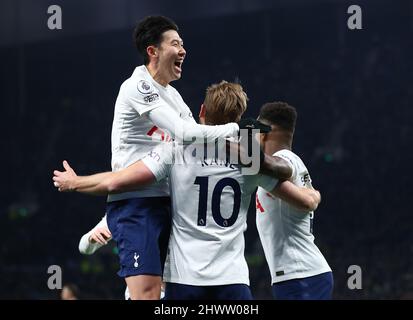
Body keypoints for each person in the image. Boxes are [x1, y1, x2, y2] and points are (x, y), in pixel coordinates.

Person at [53, 81, 321, 299]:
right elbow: (298, 193)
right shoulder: (250, 161)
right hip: (232, 281)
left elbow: (116, 182)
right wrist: (312, 195)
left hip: (185, 280)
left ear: (201, 111)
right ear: (238, 119)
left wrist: (76, 182)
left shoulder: (176, 149)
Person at [98, 15, 263, 300]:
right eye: (176, 44)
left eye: (183, 44)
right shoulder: (136, 86)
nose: (183, 50)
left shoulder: (173, 97)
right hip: (137, 197)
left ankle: (103, 225)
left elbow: (197, 131)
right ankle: (105, 223)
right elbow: (185, 132)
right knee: (147, 294)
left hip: (166, 198)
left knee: (153, 292)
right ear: (153, 51)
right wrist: (240, 129)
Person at [255, 101, 333, 300]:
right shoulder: (294, 163)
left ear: (264, 134)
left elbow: (280, 167)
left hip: (300, 275)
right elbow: (311, 196)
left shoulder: (284, 160)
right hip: (301, 274)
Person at [78, 215, 165, 299]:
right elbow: (83, 246)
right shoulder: (123, 211)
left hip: (173, 286)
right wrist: (91, 238)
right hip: (141, 292)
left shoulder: (171, 207)